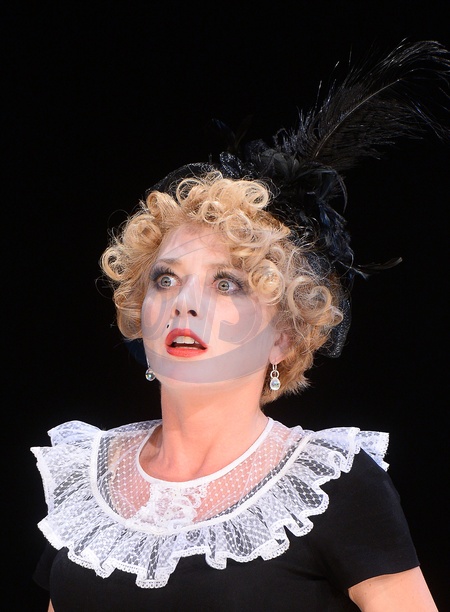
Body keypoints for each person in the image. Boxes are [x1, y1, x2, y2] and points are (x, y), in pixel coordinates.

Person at [32, 41, 449, 611]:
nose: (184, 304)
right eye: (165, 279)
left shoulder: (333, 487)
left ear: (283, 336)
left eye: (226, 284)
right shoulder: (86, 482)